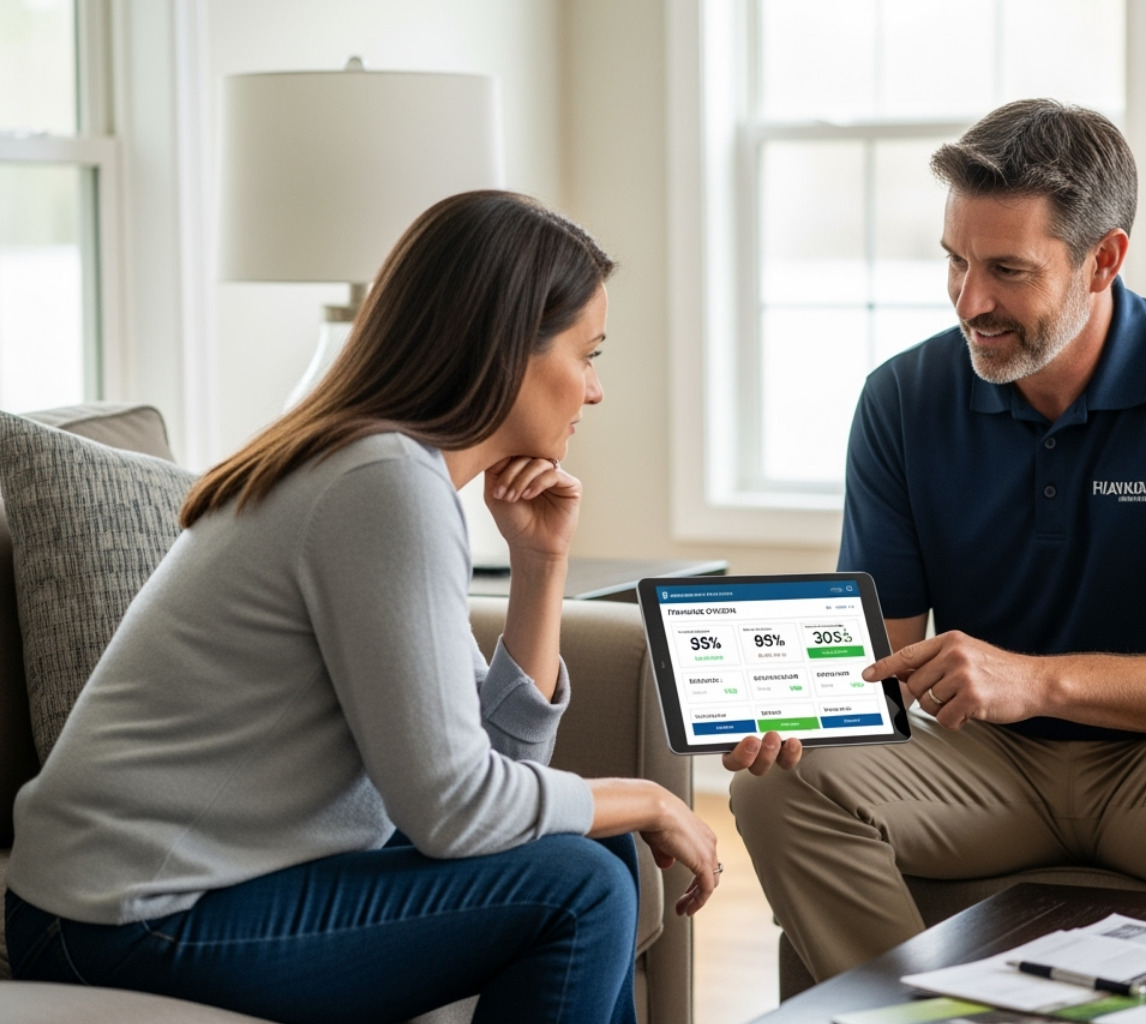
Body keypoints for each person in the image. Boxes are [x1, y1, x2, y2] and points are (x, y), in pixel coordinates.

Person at [3, 191, 780, 1024]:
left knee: (597, 847)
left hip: (193, 887)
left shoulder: (386, 469)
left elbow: (493, 764)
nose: (594, 390)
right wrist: (654, 797)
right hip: (125, 917)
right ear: (505, 349)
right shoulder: (381, 485)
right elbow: (457, 810)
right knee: (582, 885)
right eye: (586, 354)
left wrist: (540, 564)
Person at [730, 99, 1146, 982]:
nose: (970, 301)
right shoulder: (901, 401)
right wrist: (791, 708)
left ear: (1105, 259)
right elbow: (879, 661)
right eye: (956, 261)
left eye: (1008, 270)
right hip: (984, 766)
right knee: (775, 788)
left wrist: (1038, 679)